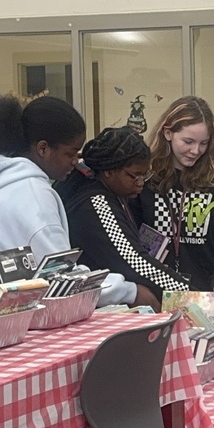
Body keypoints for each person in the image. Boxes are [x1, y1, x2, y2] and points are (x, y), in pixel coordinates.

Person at [56, 126, 191, 312]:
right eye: (135, 175)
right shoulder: (96, 203)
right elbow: (135, 261)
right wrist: (185, 291)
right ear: (109, 171)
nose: (141, 182)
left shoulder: (112, 192)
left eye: (145, 175)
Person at [131, 96, 214, 292]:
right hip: (155, 295)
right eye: (188, 141)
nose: (196, 151)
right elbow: (130, 245)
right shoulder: (144, 180)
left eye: (204, 143)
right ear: (168, 133)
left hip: (205, 296)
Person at [0, 95, 86, 261]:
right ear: (43, 148)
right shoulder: (34, 194)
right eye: (70, 153)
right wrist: (120, 284)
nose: (76, 161)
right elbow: (59, 271)